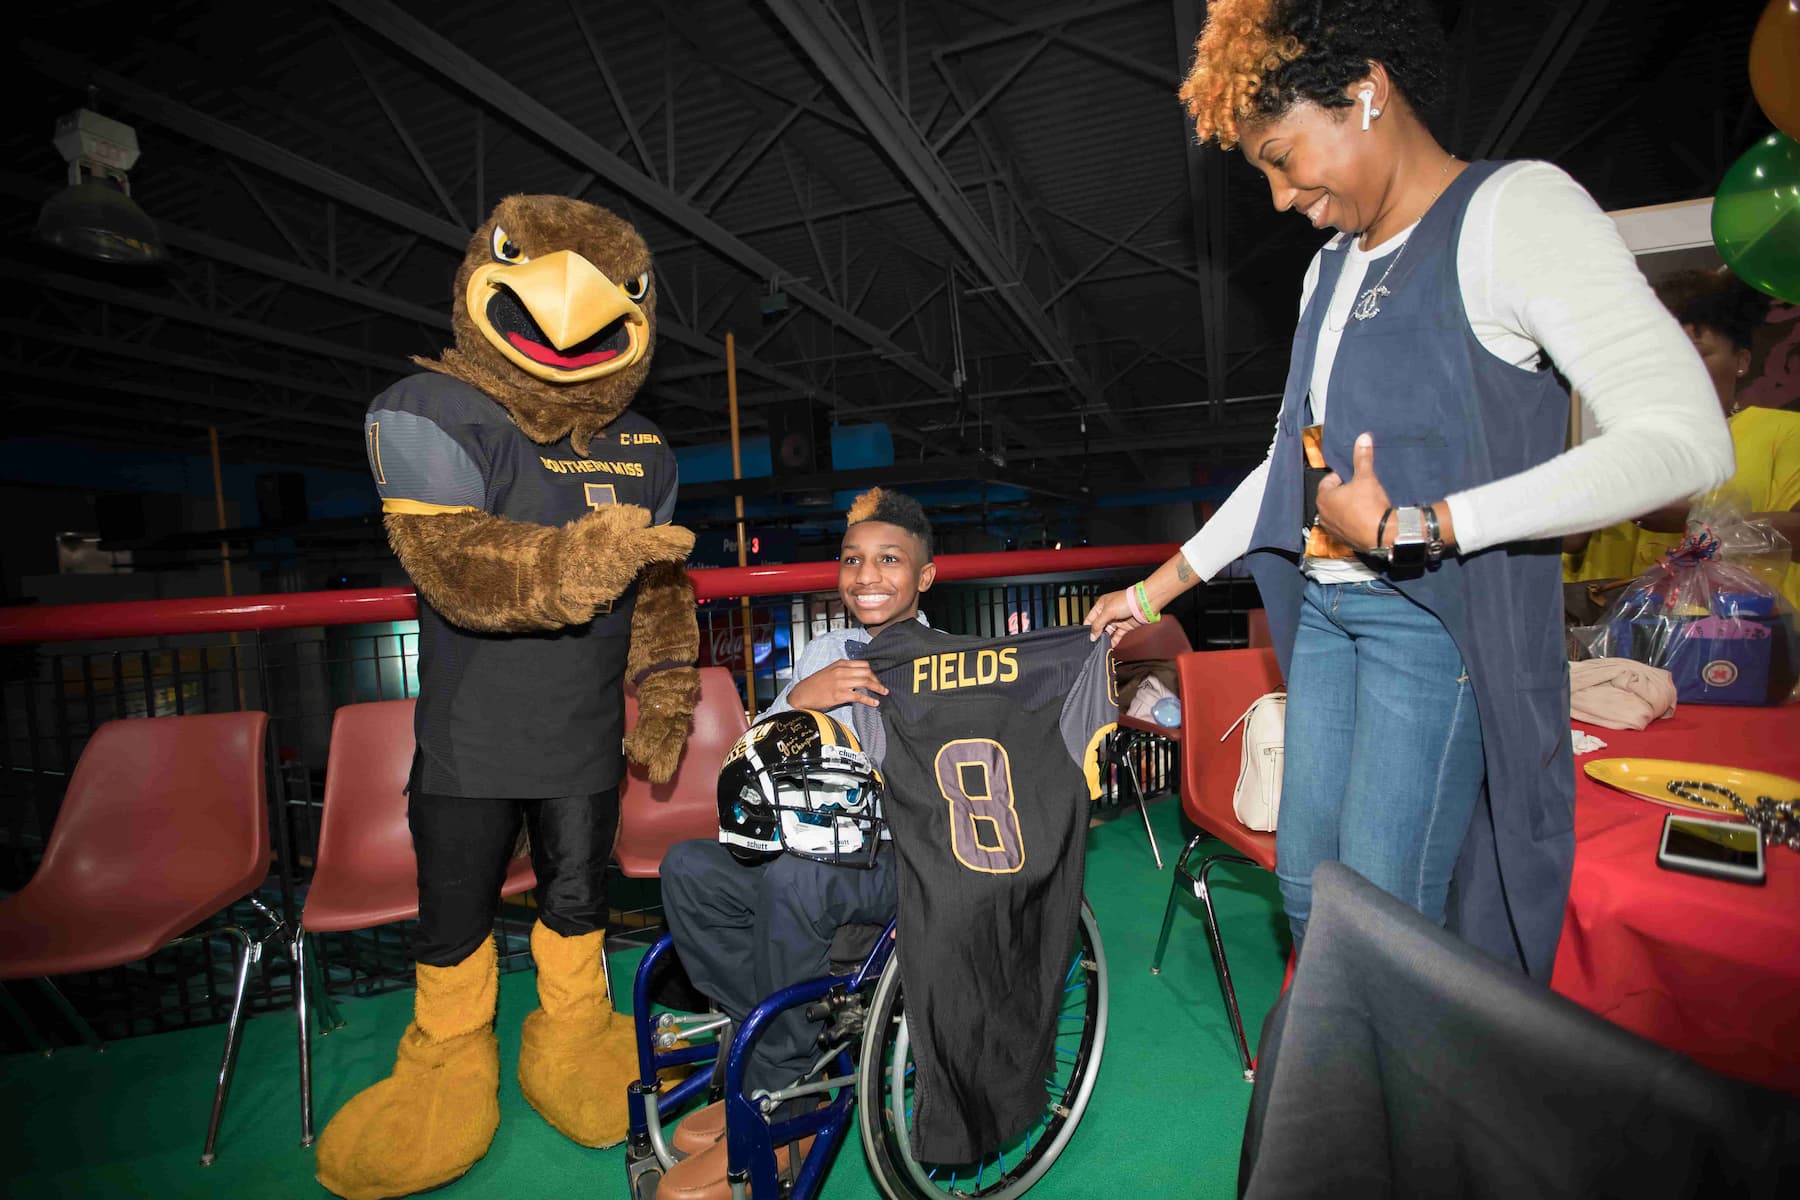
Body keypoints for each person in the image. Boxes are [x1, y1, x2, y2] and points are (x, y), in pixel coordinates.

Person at [1086, 0, 1732, 977]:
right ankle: (1361, 1106)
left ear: (1364, 91)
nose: (1274, 194)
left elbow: (1685, 443)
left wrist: (1426, 525)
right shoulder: (1328, 274)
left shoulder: (1514, 211)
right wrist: (1150, 593)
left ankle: (1411, 1120)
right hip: (1328, 620)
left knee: (1386, 923)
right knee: (1309, 893)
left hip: (1434, 628)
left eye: (1279, 153)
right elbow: (1285, 471)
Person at [654, 488, 935, 1196]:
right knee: (687, 866)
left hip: (896, 858)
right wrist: (804, 696)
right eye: (852, 560)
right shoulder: (825, 648)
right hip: (806, 841)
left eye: (889, 560)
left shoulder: (947, 663)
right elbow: (765, 747)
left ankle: (777, 1099)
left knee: (795, 880)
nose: (866, 575)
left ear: (925, 576)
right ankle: (771, 1061)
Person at [1565, 270, 1800, 612]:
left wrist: (1697, 519)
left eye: (1698, 354)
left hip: (1745, 645)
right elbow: (1567, 547)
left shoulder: (1785, 431)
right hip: (1620, 651)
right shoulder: (1614, 449)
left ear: (1742, 360)